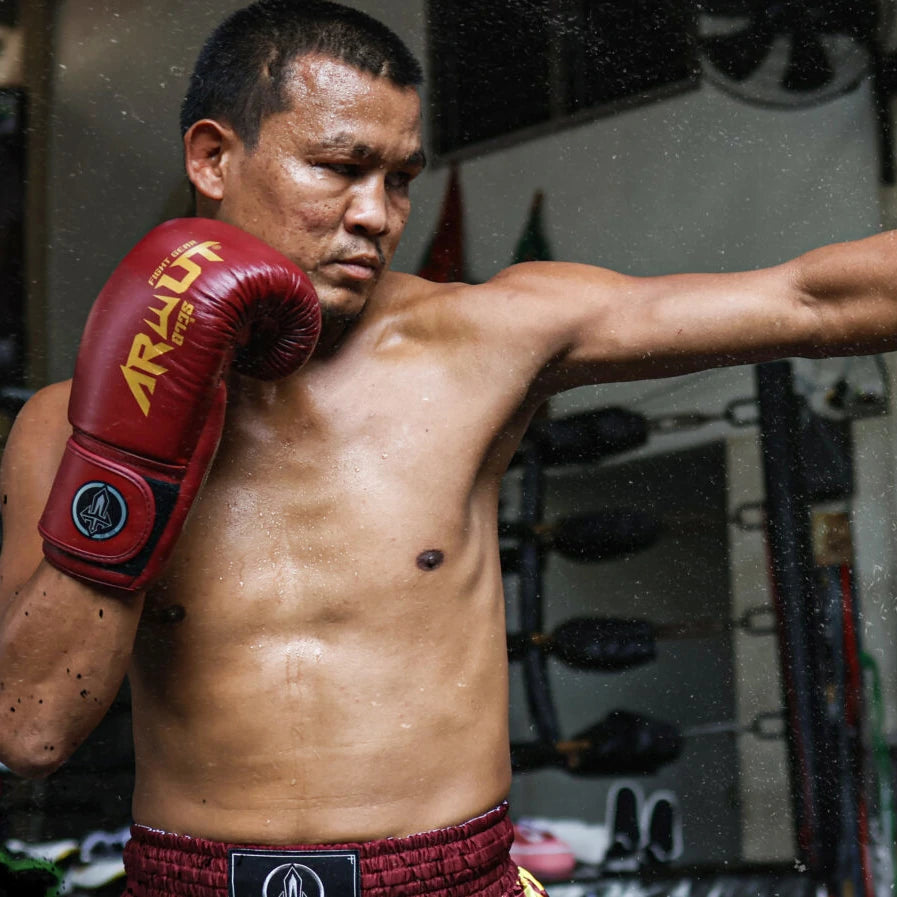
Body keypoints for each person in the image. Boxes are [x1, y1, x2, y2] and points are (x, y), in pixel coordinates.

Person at [1, 1, 896, 895]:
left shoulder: (480, 340)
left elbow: (809, 302)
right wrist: (130, 449)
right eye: (337, 168)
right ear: (212, 156)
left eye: (397, 180)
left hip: (447, 877)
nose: (374, 215)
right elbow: (31, 729)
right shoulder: (62, 424)